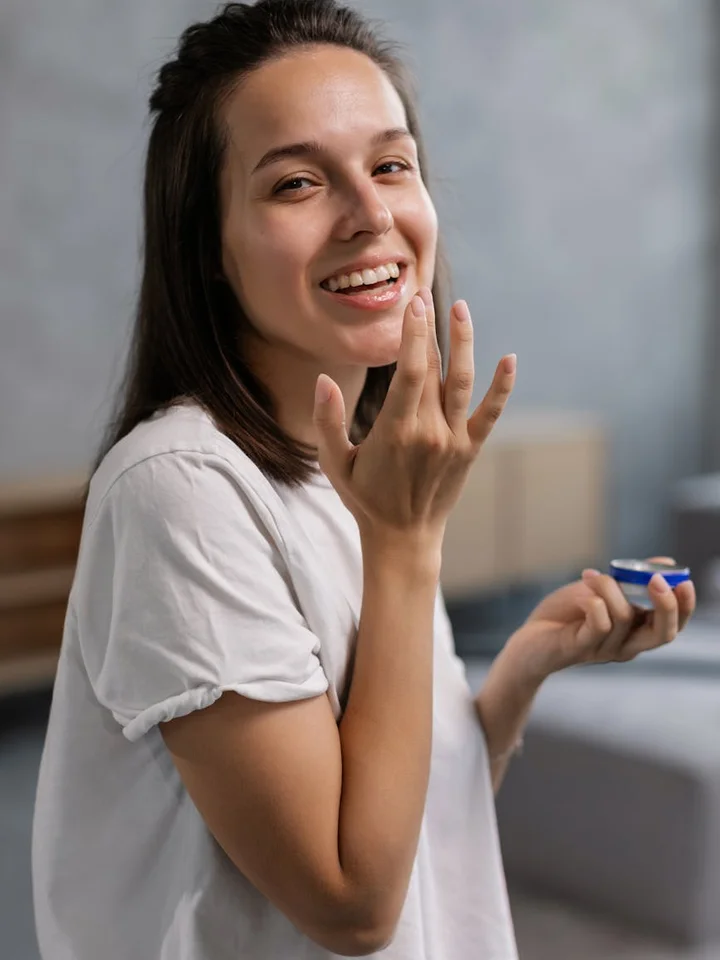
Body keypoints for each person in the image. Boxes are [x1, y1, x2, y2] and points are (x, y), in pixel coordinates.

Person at [31, 2, 697, 958]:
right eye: (297, 182)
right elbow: (353, 902)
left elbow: (400, 822)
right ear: (207, 247)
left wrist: (516, 674)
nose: (372, 214)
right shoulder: (177, 490)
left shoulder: (346, 470)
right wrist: (407, 545)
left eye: (391, 164)